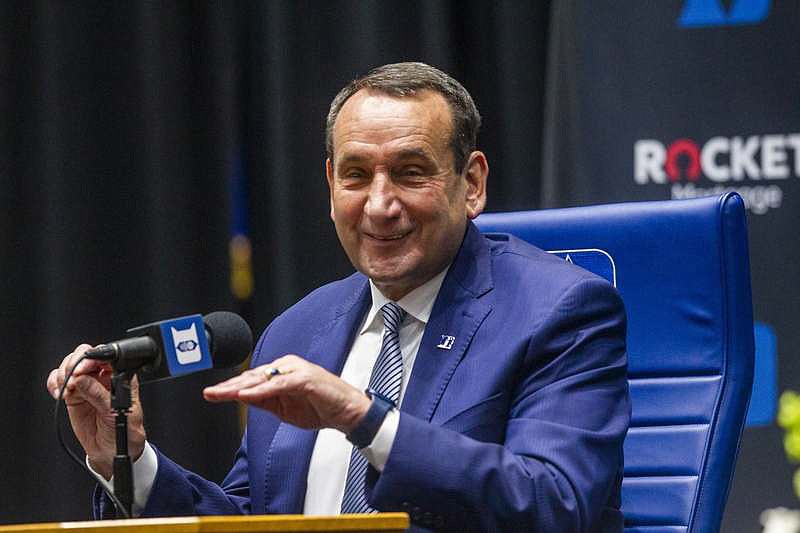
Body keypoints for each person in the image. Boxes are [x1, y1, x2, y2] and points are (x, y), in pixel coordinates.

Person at [47, 62, 630, 532]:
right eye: (356, 175)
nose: (379, 204)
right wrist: (128, 462)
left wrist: (363, 418)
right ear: (331, 186)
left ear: (471, 183)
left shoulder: (562, 312)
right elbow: (256, 522)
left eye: (409, 172)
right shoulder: (300, 329)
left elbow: (557, 505)